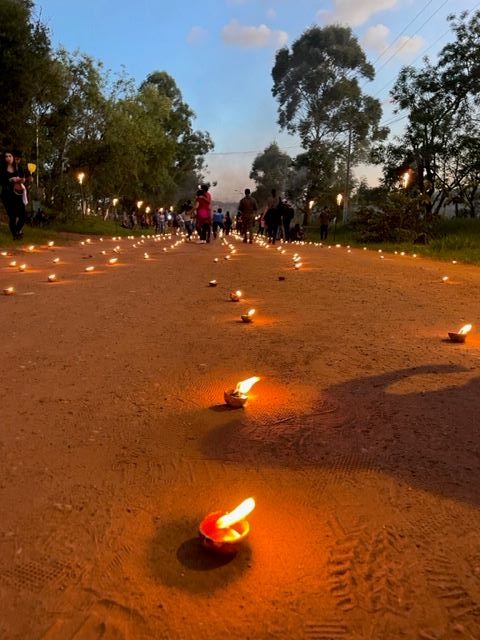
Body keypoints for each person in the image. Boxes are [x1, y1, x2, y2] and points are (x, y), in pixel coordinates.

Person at [0, 149, 27, 240]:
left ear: (13, 157)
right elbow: (1, 182)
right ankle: (16, 236)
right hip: (7, 195)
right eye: (6, 156)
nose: (8, 158)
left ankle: (17, 231)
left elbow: (23, 179)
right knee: (12, 216)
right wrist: (10, 180)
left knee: (23, 216)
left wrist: (22, 180)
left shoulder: (19, 168)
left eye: (9, 156)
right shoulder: (2, 169)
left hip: (18, 194)